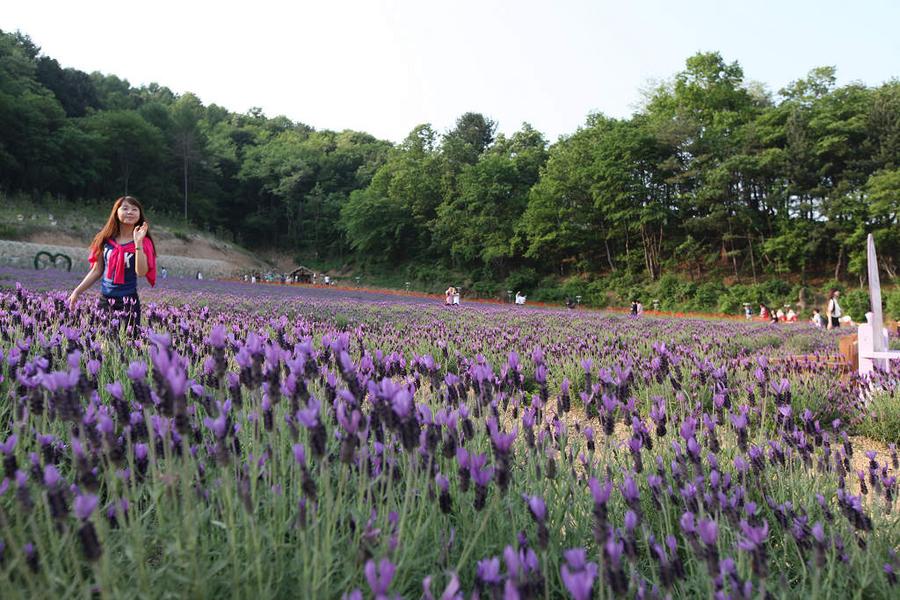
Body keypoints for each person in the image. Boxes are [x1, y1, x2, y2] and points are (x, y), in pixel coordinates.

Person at [67, 196, 156, 328]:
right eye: (125, 208)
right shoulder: (105, 240)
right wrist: (77, 292)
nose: (130, 212)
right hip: (105, 300)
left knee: (126, 343)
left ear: (139, 214)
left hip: (129, 302)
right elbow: (97, 271)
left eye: (134, 209)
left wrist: (138, 243)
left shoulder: (144, 242)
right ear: (116, 212)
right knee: (101, 341)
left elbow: (141, 272)